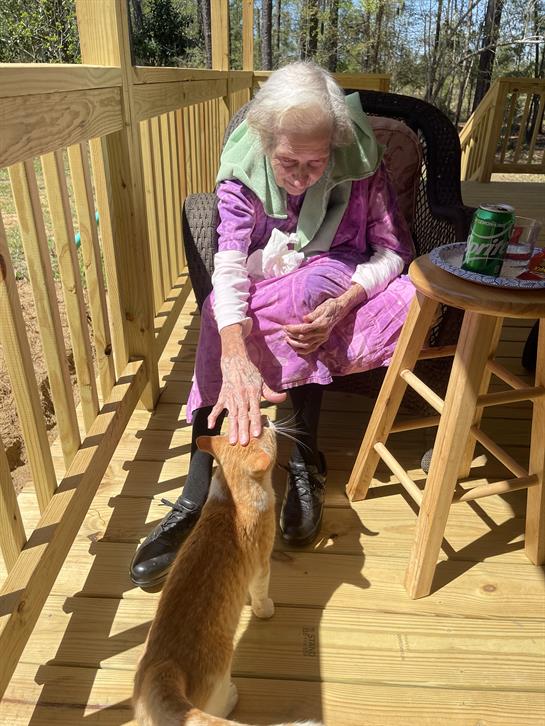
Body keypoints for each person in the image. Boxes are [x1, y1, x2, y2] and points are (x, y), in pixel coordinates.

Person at [130, 61, 416, 588]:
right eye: (288, 162)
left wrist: (345, 302)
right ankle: (199, 490)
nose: (302, 177)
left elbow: (394, 251)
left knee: (319, 298)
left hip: (341, 275)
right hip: (265, 280)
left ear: (334, 145)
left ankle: (303, 464)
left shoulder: (360, 165)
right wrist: (234, 353)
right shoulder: (242, 174)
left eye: (316, 162)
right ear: (265, 143)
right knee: (224, 315)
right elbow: (230, 265)